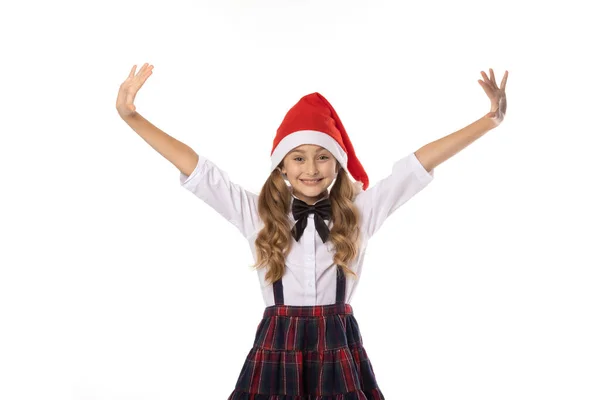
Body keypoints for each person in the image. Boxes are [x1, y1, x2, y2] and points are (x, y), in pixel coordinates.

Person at [116, 63, 508, 399]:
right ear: (281, 167)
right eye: (298, 157)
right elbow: (199, 170)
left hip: (337, 344)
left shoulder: (360, 212)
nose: (311, 168)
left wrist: (488, 121)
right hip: (277, 344)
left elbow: (417, 165)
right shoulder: (257, 213)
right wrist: (132, 116)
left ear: (337, 164)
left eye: (323, 157)